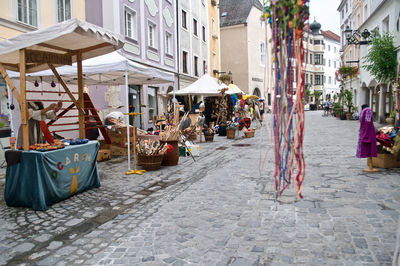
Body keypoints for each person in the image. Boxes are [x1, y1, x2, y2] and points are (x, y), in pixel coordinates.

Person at [356, 104, 379, 172]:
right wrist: (367, 134)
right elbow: (368, 123)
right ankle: (370, 166)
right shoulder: (368, 111)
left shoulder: (362, 112)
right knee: (370, 147)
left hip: (363, 131)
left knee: (368, 147)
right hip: (368, 131)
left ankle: (370, 165)